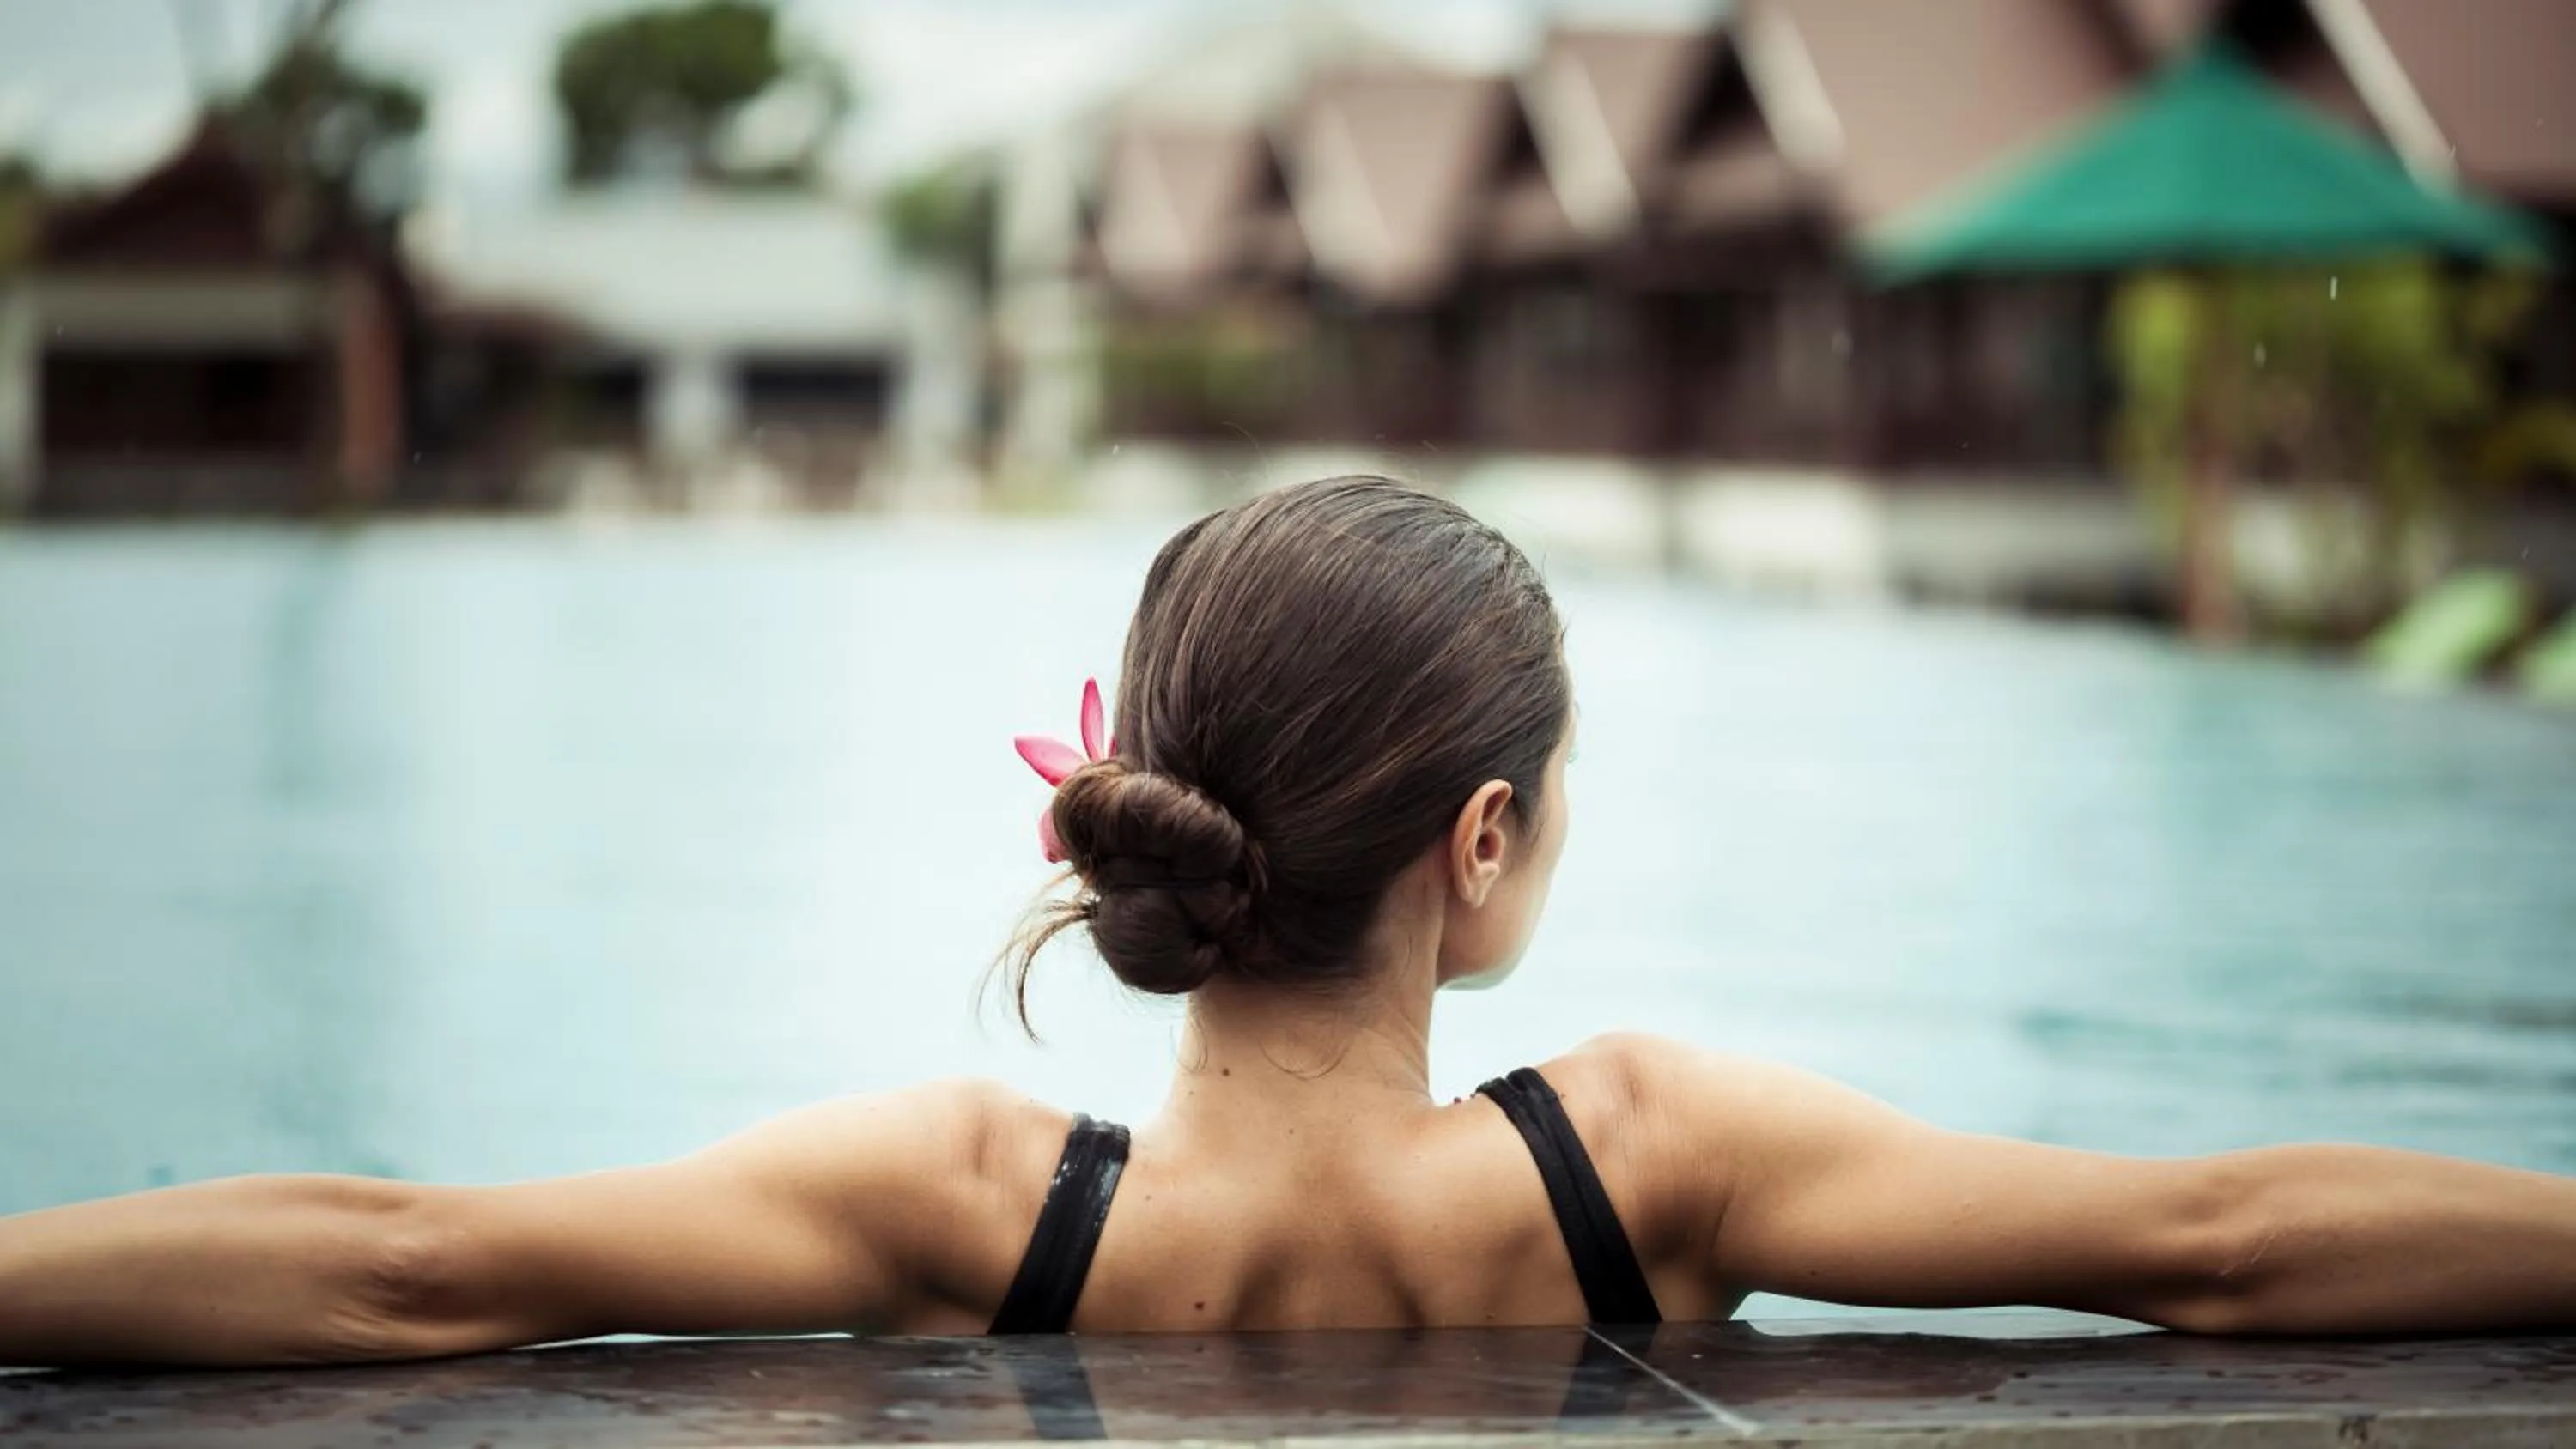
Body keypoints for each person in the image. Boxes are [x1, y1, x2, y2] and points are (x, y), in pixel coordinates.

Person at [4, 476, 2572, 1368]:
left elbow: (402, 1263)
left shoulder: (974, 1208)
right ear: (1482, 843)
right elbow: (2220, 1246)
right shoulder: (1655, 1162)